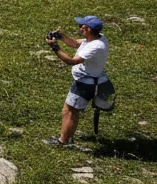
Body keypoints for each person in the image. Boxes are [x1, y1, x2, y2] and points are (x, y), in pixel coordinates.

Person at [45, 16, 113, 146]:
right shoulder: (97, 37)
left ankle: (63, 141)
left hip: (85, 83)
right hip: (88, 80)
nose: (81, 27)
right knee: (71, 110)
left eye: (83, 26)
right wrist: (60, 36)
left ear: (88, 29)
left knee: (69, 111)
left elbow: (71, 61)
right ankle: (67, 136)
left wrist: (54, 47)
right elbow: (75, 43)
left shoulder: (95, 47)